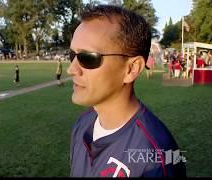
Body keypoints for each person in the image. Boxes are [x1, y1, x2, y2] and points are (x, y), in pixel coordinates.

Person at [67, 5, 186, 177]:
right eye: (72, 55)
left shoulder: (157, 157)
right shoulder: (82, 124)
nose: (72, 69)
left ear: (131, 69)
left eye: (88, 58)